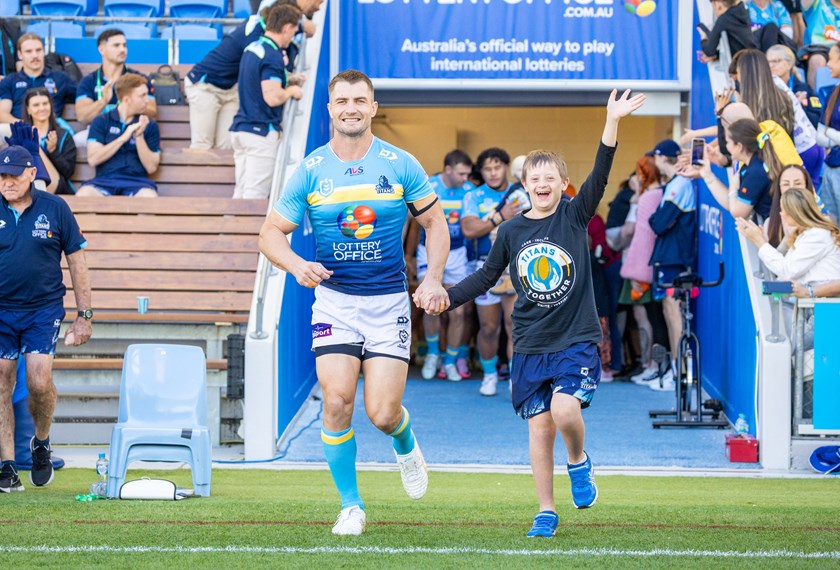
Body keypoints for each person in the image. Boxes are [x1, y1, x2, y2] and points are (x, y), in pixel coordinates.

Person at [439, 89, 646, 538]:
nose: (542, 182)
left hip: (574, 339)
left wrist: (612, 121)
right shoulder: (511, 230)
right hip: (531, 343)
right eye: (535, 177)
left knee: (565, 411)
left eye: (551, 176)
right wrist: (446, 297)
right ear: (524, 185)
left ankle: (578, 461)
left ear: (563, 183)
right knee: (539, 429)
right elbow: (486, 277)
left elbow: (602, 169)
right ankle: (546, 510)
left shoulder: (574, 215)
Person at [258, 70, 450, 536]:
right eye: (342, 101)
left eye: (359, 100)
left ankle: (405, 441)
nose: (350, 108)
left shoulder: (400, 163)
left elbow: (436, 225)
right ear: (330, 109)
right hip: (335, 304)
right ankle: (351, 506)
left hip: (388, 304)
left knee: (382, 414)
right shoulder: (310, 169)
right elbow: (270, 234)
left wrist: (433, 278)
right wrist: (296, 265)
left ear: (373, 107)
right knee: (337, 401)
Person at [0, 145, 92, 493]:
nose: (7, 182)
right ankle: (7, 465)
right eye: (1, 176)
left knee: (39, 383)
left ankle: (41, 443)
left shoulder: (55, 208)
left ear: (31, 173)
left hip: (43, 310)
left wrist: (84, 316)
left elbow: (77, 261)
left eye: (13, 175)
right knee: (1, 381)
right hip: (1, 311)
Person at [185, 0, 321, 150]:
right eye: (292, 28)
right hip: (205, 84)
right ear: (283, 24)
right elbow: (262, 70)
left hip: (230, 89)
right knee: (202, 145)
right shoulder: (256, 32)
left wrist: (288, 77)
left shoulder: (267, 34)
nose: (293, 32)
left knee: (226, 147)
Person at [461, 148, 527, 396]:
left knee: (514, 325)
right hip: (485, 266)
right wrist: (500, 216)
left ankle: (514, 377)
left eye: (497, 167)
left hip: (516, 265)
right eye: (487, 169)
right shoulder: (474, 195)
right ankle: (489, 375)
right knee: (488, 327)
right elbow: (470, 229)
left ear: (506, 167)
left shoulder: (522, 190)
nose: (493, 173)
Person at [408, 149, 474, 381]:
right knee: (430, 304)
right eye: (461, 174)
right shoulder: (429, 185)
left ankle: (450, 361)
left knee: (459, 312)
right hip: (428, 251)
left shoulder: (470, 191)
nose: (466, 178)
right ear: (448, 169)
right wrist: (409, 255)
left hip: (458, 253)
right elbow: (414, 224)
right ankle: (433, 355)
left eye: (467, 174)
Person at [230, 3, 304, 199]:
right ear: (286, 27)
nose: (293, 36)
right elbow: (272, 97)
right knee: (254, 196)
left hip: (242, 129)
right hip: (260, 133)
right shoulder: (273, 55)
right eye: (294, 31)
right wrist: (291, 91)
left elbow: (258, 79)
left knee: (240, 194)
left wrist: (288, 78)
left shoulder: (253, 47)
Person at [648, 139, 696, 390]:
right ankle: (677, 370)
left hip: (676, 259)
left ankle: (681, 374)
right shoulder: (673, 183)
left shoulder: (679, 184)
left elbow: (657, 223)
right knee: (669, 312)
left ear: (661, 158)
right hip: (669, 257)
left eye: (655, 157)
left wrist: (656, 218)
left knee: (675, 313)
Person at [621, 157, 669, 387]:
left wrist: (637, 270)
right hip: (654, 264)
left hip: (647, 266)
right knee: (656, 318)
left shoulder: (649, 197)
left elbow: (642, 236)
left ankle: (655, 367)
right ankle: (656, 367)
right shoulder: (659, 194)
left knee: (653, 318)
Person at [77, 74, 160, 198]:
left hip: (137, 183)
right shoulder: (101, 121)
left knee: (149, 197)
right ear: (126, 100)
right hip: (104, 182)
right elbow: (93, 159)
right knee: (84, 194)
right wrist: (123, 138)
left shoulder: (149, 124)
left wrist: (139, 137)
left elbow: (151, 167)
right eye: (142, 96)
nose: (147, 100)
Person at [74, 29, 157, 143]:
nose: (122, 49)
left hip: (131, 129)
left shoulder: (138, 79)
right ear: (101, 49)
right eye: (116, 45)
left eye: (124, 45)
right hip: (99, 131)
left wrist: (129, 103)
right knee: (77, 141)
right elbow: (82, 117)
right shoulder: (88, 81)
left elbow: (152, 112)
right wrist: (103, 101)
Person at [0, 34, 76, 130]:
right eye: (29, 51)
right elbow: (2, 113)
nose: (35, 55)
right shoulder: (10, 80)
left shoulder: (60, 78)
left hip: (50, 130)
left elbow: (83, 97)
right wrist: (25, 127)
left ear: (44, 51)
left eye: (38, 50)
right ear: (20, 54)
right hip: (18, 130)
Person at [22, 87, 76, 195]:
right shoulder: (21, 134)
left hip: (57, 186)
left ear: (50, 106)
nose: (42, 108)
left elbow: (68, 172)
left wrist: (53, 152)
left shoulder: (63, 135)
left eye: (45, 104)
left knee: (33, 145)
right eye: (36, 105)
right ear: (28, 109)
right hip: (26, 184)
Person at [766, 164, 827, 246]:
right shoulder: (769, 223)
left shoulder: (820, 223)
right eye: (786, 184)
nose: (792, 188)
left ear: (806, 186)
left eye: (798, 183)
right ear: (779, 188)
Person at [767, 44, 822, 128]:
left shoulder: (804, 89)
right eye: (768, 62)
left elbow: (817, 120)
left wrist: (799, 108)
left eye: (776, 61)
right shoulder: (764, 89)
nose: (771, 66)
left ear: (789, 64)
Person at [816, 42, 840, 219]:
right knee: (830, 223)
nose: (827, 64)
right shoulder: (833, 92)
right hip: (831, 167)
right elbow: (820, 136)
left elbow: (825, 133)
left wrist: (830, 134)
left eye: (831, 59)